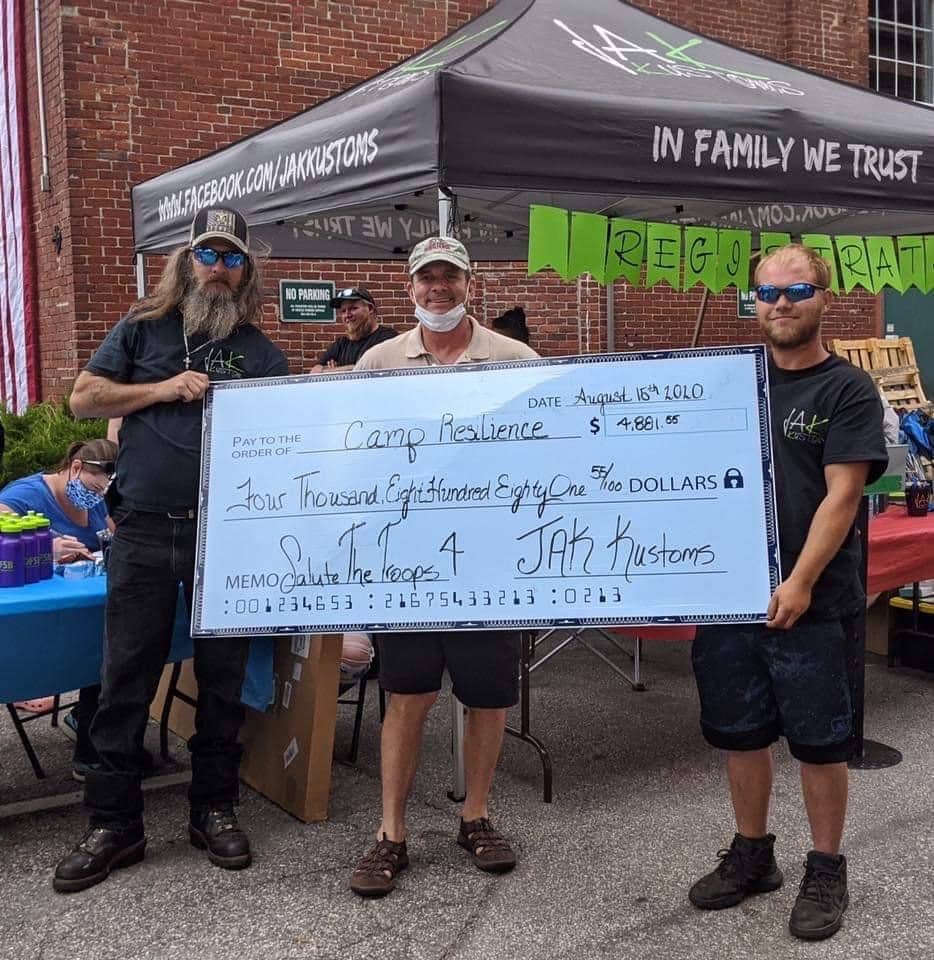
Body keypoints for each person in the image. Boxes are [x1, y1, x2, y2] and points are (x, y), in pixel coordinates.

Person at [53, 205, 289, 893]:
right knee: (126, 677)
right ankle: (113, 824)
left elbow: (288, 432)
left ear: (246, 272)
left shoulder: (258, 349)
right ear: (186, 262)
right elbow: (82, 400)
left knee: (222, 679)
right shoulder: (141, 329)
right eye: (207, 255)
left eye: (232, 258)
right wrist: (163, 388)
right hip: (147, 529)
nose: (218, 269)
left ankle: (212, 807)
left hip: (228, 533)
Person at [688, 244, 886, 941]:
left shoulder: (847, 390)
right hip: (729, 595)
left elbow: (843, 495)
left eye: (796, 290)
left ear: (824, 297)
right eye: (767, 294)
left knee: (819, 743)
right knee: (740, 734)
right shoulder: (725, 384)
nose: (780, 304)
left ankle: (826, 868)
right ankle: (752, 855)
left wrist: (799, 580)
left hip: (814, 602)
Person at [349, 236, 538, 898]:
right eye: (426, 279)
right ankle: (391, 832)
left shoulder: (515, 359)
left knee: (486, 697)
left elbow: (546, 449)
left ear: (469, 284)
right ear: (409, 289)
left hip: (491, 561)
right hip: (407, 562)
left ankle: (475, 815)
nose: (438, 288)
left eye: (449, 278)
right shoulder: (376, 362)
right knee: (408, 693)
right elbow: (352, 455)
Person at [1, 439, 116, 777]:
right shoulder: (23, 495)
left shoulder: (96, 502)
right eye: (94, 488)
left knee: (112, 647)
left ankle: (88, 720)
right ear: (76, 468)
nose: (97, 496)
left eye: (103, 491)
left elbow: (115, 537)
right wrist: (46, 548)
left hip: (83, 611)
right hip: (34, 616)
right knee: (100, 649)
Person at [311, 287, 397, 373]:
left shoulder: (388, 338)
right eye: (343, 311)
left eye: (353, 308)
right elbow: (314, 372)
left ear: (370, 308)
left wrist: (332, 371)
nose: (347, 315)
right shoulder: (340, 345)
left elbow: (371, 368)